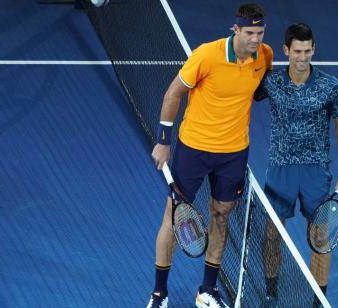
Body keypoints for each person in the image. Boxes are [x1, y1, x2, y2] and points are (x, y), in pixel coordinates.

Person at [146, 3, 273, 308]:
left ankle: (207, 291)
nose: (255, 39)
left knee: (221, 215)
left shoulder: (265, 56)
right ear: (236, 30)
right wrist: (164, 141)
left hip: (233, 154)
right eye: (250, 33)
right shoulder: (206, 55)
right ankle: (159, 294)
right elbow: (172, 93)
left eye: (260, 33)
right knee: (173, 217)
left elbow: (256, 90)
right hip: (193, 150)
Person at [255, 22, 338, 307]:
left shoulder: (328, 85)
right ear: (286, 50)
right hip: (280, 169)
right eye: (296, 51)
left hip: (316, 171)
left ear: (314, 50)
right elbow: (241, 94)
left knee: (320, 237)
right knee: (272, 234)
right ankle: (271, 291)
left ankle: (317, 300)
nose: (302, 57)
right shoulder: (270, 81)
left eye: (307, 51)